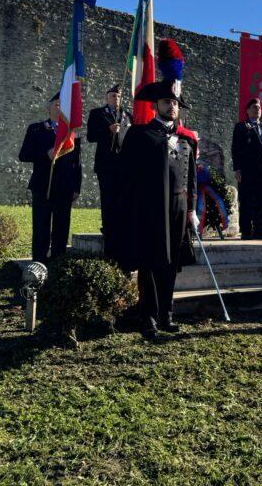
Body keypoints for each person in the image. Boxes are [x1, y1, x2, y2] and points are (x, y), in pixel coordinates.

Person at [118, 78, 198, 339]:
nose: (172, 107)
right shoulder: (140, 135)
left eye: (175, 103)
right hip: (150, 209)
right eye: (167, 102)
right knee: (150, 263)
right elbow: (125, 176)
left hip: (177, 209)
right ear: (156, 106)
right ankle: (148, 318)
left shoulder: (186, 141)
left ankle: (166, 315)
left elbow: (191, 179)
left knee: (171, 264)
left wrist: (192, 210)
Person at [18, 92, 82, 264]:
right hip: (42, 186)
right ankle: (38, 265)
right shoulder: (36, 129)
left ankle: (57, 264)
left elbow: (77, 162)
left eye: (63, 105)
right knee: (41, 227)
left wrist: (77, 187)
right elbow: (23, 155)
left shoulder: (72, 133)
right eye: (56, 104)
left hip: (64, 187)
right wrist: (45, 154)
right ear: (48, 108)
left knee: (61, 228)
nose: (60, 107)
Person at [86, 84, 132, 259]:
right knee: (108, 198)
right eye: (113, 95)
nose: (116, 98)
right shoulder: (97, 114)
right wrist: (108, 130)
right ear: (106, 97)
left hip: (124, 165)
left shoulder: (127, 115)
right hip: (106, 164)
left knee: (123, 198)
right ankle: (108, 229)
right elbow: (91, 136)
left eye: (118, 96)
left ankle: (121, 228)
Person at [231, 98, 262, 240]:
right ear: (247, 111)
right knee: (247, 200)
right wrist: (237, 169)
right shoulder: (241, 127)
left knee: (261, 201)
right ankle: (247, 230)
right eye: (254, 107)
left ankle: (259, 229)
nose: (257, 109)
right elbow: (236, 149)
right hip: (247, 171)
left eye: (259, 107)